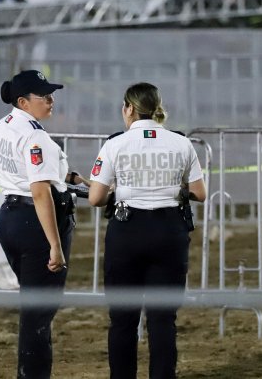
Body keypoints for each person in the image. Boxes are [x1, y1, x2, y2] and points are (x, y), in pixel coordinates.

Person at [87, 82, 206, 379]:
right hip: (169, 231)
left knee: (123, 320)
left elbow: (95, 198)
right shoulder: (181, 143)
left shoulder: (115, 144)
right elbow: (200, 193)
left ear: (129, 108)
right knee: (163, 320)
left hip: (127, 231)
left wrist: (118, 189)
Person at [0, 69, 75, 379]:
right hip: (33, 222)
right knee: (38, 315)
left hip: (10, 218)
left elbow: (45, 172)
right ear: (24, 102)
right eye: (45, 96)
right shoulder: (35, 134)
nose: (51, 100)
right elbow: (41, 193)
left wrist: (77, 180)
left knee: (34, 308)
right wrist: (55, 245)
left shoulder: (5, 125)